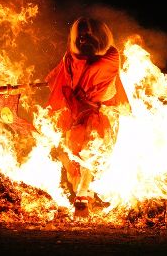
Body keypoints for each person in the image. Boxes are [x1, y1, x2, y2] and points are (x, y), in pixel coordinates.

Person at [45, 17, 129, 216]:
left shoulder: (111, 56)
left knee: (88, 153)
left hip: (98, 115)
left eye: (89, 34)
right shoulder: (69, 58)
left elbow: (93, 77)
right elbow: (61, 79)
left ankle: (83, 194)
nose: (84, 38)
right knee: (66, 155)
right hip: (74, 113)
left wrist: (79, 96)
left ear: (100, 36)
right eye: (81, 34)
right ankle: (83, 195)